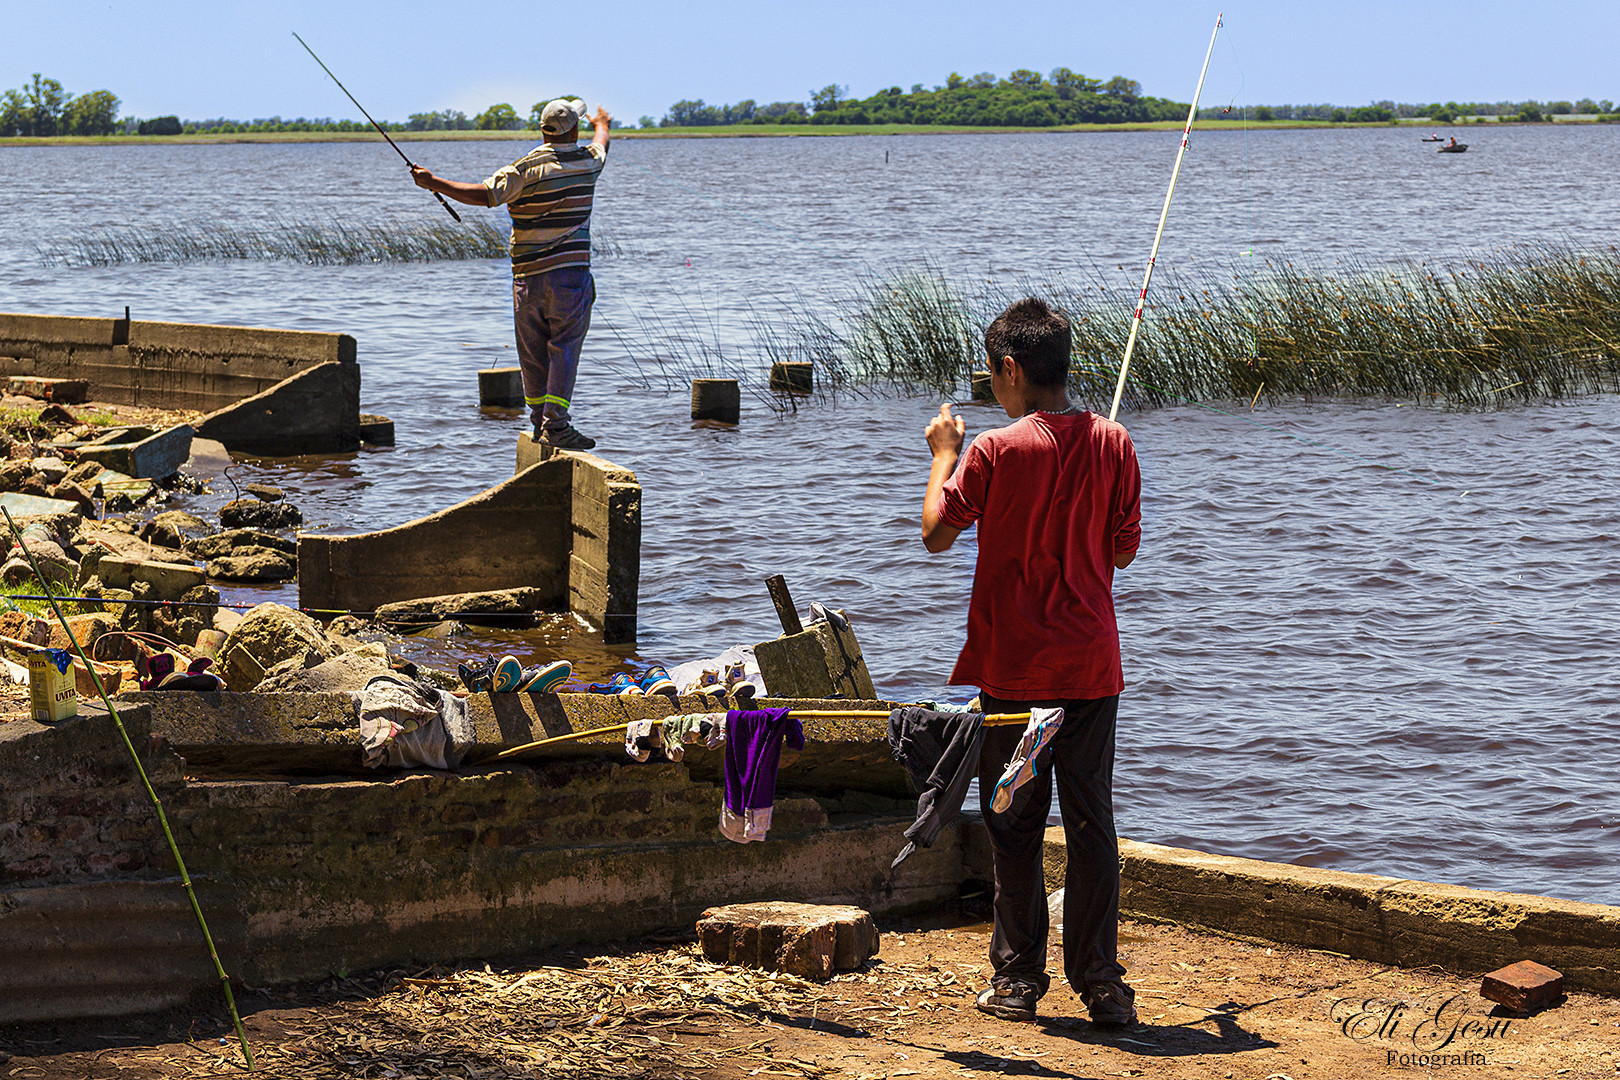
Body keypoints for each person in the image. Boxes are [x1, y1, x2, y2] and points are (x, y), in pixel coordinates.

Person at [920, 297, 1142, 1027]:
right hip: (1090, 671)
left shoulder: (991, 450)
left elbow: (936, 534)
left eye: (994, 375)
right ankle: (1101, 985)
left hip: (1016, 679)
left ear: (1011, 368)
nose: (994, 388)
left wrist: (943, 453)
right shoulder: (1115, 443)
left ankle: (1017, 982)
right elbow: (1122, 551)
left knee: (1013, 824)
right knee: (1091, 827)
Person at [412, 99, 612, 450]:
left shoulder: (523, 169)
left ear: (543, 130)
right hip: (570, 278)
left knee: (532, 353)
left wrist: (433, 182)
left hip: (526, 280)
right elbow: (602, 143)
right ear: (575, 130)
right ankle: (558, 426)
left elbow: (483, 194)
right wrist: (603, 122)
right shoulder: (588, 162)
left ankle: (539, 424)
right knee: (564, 349)